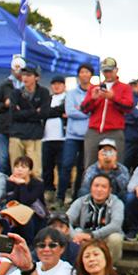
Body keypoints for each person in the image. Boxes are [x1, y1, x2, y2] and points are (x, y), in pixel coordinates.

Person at [83, 57, 134, 165]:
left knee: (115, 164)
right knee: (90, 164)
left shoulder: (125, 87)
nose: (108, 74)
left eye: (110, 71)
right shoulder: (94, 88)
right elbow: (84, 109)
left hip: (114, 131)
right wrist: (93, 98)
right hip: (94, 130)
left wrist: (113, 97)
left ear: (116, 70)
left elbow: (128, 107)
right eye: (105, 71)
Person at [67, 171, 125, 261]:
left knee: (116, 238)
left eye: (103, 187)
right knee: (74, 232)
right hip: (84, 235)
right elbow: (66, 220)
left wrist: (92, 235)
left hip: (105, 236)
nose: (99, 190)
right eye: (96, 186)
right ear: (90, 188)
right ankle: (79, 267)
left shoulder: (117, 203)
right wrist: (75, 236)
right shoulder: (81, 201)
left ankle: (109, 268)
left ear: (110, 190)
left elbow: (116, 225)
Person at [8, 65, 50, 173]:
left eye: (29, 75)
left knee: (35, 170)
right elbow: (14, 114)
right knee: (16, 169)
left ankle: (35, 190)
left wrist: (23, 112)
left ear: (37, 77)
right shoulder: (16, 93)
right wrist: (35, 111)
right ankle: (16, 190)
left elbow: (44, 113)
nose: (25, 78)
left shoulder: (43, 92)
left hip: (34, 135)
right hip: (16, 135)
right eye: (23, 75)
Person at [0, 55, 27, 175]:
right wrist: (5, 105)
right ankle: (3, 186)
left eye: (20, 69)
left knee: (17, 160)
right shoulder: (4, 85)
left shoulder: (27, 87)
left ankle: (15, 187)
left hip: (20, 128)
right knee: (3, 159)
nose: (17, 71)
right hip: (3, 127)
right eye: (15, 68)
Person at [62, 68, 91, 203]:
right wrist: (87, 112)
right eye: (82, 72)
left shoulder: (94, 92)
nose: (84, 75)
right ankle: (60, 196)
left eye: (87, 72)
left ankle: (76, 197)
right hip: (72, 135)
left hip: (88, 136)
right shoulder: (71, 93)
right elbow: (70, 111)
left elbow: (96, 111)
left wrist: (81, 109)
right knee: (66, 165)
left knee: (82, 168)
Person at [4, 154, 48, 241]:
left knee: (25, 215)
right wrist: (18, 185)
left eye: (23, 167)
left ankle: (30, 243)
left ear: (30, 171)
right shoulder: (10, 182)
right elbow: (10, 201)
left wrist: (22, 185)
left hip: (36, 215)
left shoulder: (38, 184)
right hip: (15, 214)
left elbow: (26, 201)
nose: (19, 169)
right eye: (17, 167)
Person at [41, 74, 68, 200]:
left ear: (64, 85)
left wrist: (50, 112)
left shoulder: (67, 98)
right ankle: (49, 190)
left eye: (59, 84)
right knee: (47, 166)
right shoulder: (47, 98)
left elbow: (64, 109)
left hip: (63, 138)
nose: (56, 86)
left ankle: (64, 192)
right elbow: (43, 112)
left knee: (63, 166)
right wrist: (57, 112)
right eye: (54, 84)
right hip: (46, 138)